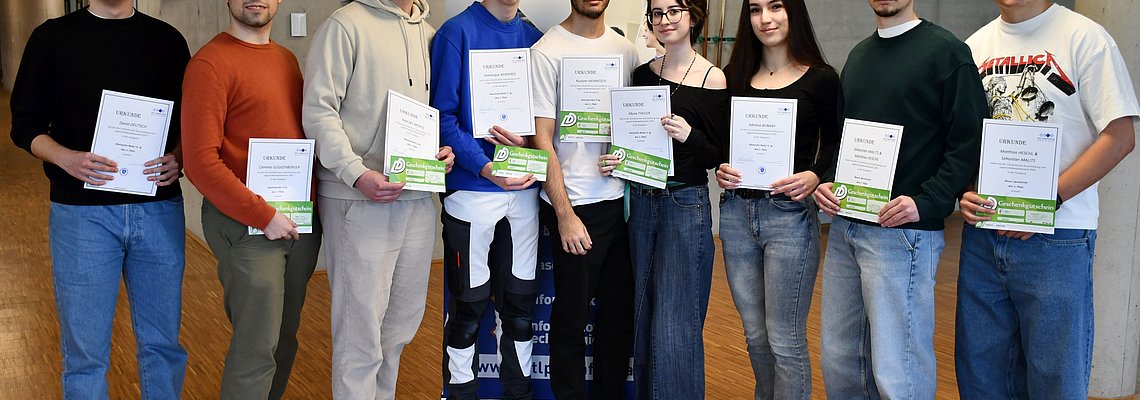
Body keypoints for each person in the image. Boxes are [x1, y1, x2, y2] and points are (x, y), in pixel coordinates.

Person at [955, 1, 1139, 398]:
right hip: (983, 236)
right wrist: (964, 190)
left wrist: (1043, 203)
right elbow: (965, 139)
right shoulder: (973, 47)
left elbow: (1120, 137)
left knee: (1056, 382)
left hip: (1058, 237)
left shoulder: (1086, 38)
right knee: (981, 378)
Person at [9, 0, 190, 398]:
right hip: (81, 215)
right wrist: (65, 158)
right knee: (85, 357)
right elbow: (24, 125)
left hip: (158, 209)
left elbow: (190, 119)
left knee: (163, 347)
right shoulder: (51, 39)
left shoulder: (167, 41)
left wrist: (179, 156)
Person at [810, 0, 989, 397]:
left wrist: (927, 202)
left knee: (898, 371)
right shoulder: (859, 56)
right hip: (847, 229)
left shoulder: (948, 53)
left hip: (903, 235)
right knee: (840, 362)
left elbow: (969, 141)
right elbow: (844, 139)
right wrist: (830, 181)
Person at [302, 0, 454, 398]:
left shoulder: (431, 35)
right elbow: (318, 111)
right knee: (360, 336)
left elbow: (436, 115)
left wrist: (442, 152)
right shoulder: (345, 25)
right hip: (358, 198)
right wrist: (355, 173)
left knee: (398, 331)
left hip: (416, 200)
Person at [181, 0, 321, 398]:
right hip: (247, 225)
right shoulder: (209, 64)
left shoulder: (286, 60)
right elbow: (200, 162)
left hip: (297, 222)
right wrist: (263, 215)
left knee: (283, 340)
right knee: (257, 348)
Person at [597, 0, 727, 397]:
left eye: (674, 11)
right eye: (656, 13)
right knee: (643, 312)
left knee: (676, 322)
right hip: (641, 200)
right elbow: (633, 141)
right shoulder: (641, 74)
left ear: (693, 16)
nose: (664, 20)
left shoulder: (713, 79)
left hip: (684, 204)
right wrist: (617, 160)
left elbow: (718, 155)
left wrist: (690, 136)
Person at [715, 0, 838, 398]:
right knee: (754, 335)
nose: (765, 19)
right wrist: (721, 166)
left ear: (793, 13)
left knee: (785, 338)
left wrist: (816, 174)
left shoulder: (821, 78)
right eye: (755, 10)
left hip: (789, 217)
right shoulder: (732, 77)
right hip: (736, 215)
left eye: (776, 7)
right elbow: (721, 143)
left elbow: (837, 143)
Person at [429, 0, 542, 398]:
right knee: (467, 309)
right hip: (472, 193)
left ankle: (518, 393)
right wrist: (485, 167)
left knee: (520, 310)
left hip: (524, 195)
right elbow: (441, 116)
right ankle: (461, 394)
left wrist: (528, 143)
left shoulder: (534, 38)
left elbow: (544, 121)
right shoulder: (455, 33)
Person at [530, 0, 640, 398]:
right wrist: (565, 215)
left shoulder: (627, 51)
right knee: (570, 322)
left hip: (622, 205)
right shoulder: (546, 51)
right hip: (575, 205)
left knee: (618, 321)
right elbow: (542, 140)